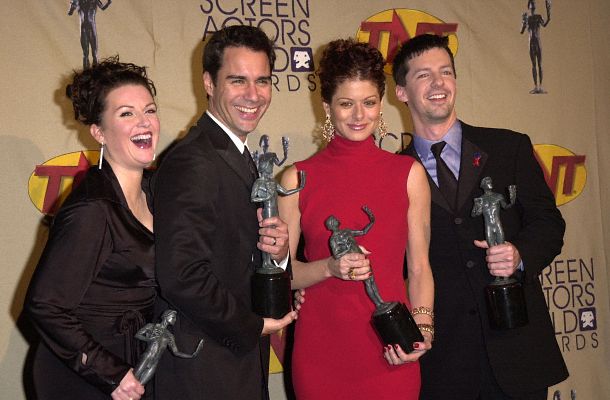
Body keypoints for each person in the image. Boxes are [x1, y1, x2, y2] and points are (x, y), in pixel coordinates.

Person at [392, 33, 568, 399]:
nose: (439, 83)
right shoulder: (391, 173)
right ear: (401, 92)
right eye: (423, 75)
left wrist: (520, 254)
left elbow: (549, 223)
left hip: (517, 355)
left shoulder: (509, 147)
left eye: (446, 71)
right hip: (441, 363)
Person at [279, 38, 434, 400]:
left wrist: (423, 327)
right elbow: (283, 274)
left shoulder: (408, 173)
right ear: (327, 107)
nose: (359, 115)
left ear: (382, 103)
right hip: (320, 353)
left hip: (391, 349)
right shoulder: (297, 179)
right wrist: (329, 268)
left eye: (369, 102)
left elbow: (421, 267)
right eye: (346, 104)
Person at [153, 25, 297, 400]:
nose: (253, 95)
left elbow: (236, 259)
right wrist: (251, 325)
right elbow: (181, 276)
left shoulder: (239, 157)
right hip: (203, 371)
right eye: (238, 81)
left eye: (262, 81)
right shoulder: (193, 160)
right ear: (209, 83)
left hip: (235, 366)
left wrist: (278, 255)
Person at [25, 56, 159, 400]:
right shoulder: (93, 209)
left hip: (131, 365)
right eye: (126, 113)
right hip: (84, 379)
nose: (144, 122)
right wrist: (110, 373)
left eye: (150, 110)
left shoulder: (155, 193)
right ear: (98, 132)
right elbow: (45, 305)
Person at [133, 310, 204, 385]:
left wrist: (192, 355)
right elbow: (137, 335)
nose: (175, 320)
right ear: (166, 316)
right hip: (147, 357)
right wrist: (149, 339)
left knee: (140, 386)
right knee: (132, 381)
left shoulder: (170, 336)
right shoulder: (151, 326)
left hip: (154, 363)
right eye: (173, 317)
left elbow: (176, 352)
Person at [68, 0, 112, 69]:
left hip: (91, 27)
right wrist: (72, 6)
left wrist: (109, 2)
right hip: (84, 28)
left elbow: (103, 7)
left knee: (94, 53)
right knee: (86, 53)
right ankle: (86, 73)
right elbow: (70, 13)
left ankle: (96, 72)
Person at [520, 0, 551, 94]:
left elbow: (545, 24)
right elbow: (522, 31)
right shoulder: (527, 18)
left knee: (540, 64)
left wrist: (549, 13)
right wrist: (523, 22)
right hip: (531, 43)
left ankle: (540, 86)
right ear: (528, 6)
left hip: (537, 42)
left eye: (534, 4)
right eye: (531, 4)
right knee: (534, 65)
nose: (533, 5)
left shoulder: (538, 17)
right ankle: (535, 86)